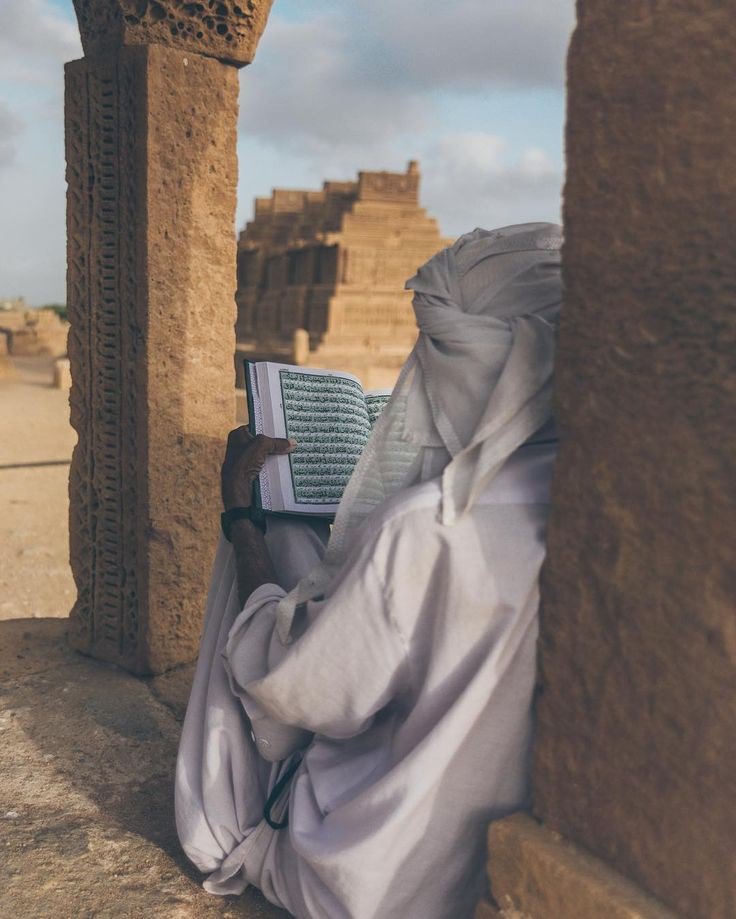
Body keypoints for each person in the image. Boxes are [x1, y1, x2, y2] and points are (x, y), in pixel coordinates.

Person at [175, 222, 563, 918]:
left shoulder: (425, 528)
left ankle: (224, 830)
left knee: (270, 542)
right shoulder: (604, 508)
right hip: (496, 873)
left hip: (378, 884)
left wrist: (240, 521)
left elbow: (296, 706)